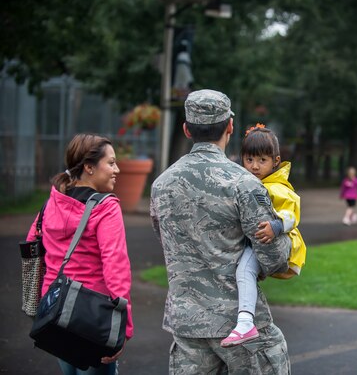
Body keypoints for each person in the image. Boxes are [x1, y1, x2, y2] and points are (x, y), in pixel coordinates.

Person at [150, 89, 292, 374]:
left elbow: (166, 239)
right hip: (241, 325)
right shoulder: (245, 183)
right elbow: (274, 257)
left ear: (187, 129)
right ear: (229, 126)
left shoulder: (161, 185)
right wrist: (288, 233)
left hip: (188, 325)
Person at [25, 133, 133, 375]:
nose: (117, 169)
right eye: (111, 162)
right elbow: (116, 268)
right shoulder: (106, 207)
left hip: (53, 308)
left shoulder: (54, 199)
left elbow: (32, 240)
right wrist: (123, 326)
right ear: (89, 167)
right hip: (91, 316)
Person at [221, 124, 306, 348]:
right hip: (259, 244)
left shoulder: (277, 187)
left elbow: (292, 215)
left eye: (262, 160)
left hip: (284, 243)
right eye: (249, 160)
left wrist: (276, 227)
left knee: (245, 270)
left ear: (275, 160)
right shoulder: (252, 183)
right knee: (244, 271)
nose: (255, 166)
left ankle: (246, 322)